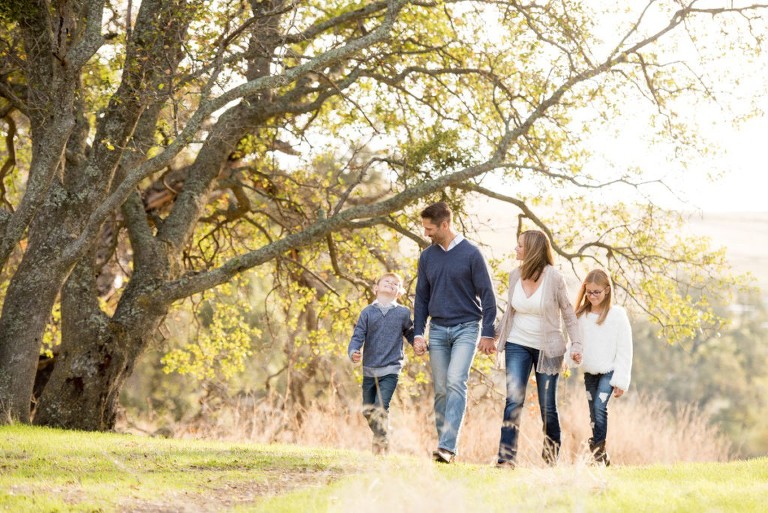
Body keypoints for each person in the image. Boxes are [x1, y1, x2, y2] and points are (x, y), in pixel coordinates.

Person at [413, 201, 497, 463]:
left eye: (430, 228)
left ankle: (447, 447)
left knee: (455, 382)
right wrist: (418, 333)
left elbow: (488, 295)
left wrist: (488, 332)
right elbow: (421, 299)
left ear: (445, 225)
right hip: (437, 330)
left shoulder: (471, 254)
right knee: (440, 389)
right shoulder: (427, 257)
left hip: (467, 328)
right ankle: (443, 447)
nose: (426, 233)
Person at [493, 229, 582, 468]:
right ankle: (506, 459)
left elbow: (568, 314)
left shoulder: (554, 278)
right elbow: (510, 313)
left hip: (548, 349)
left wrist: (576, 344)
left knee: (547, 406)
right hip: (516, 344)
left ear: (531, 249)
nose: (516, 249)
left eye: (520, 245)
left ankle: (551, 458)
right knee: (513, 400)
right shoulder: (514, 275)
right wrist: (493, 335)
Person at [348, 272, 415, 455]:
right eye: (387, 281)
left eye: (396, 284)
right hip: (370, 369)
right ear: (376, 288)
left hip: (391, 369)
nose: (391, 284)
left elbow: (410, 333)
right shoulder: (367, 312)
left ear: (399, 293)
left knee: (381, 407)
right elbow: (357, 336)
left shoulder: (402, 313)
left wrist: (418, 343)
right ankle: (385, 432)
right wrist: (354, 351)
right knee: (368, 411)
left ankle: (381, 443)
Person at [573, 269, 633, 466]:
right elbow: (575, 343)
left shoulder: (617, 315)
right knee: (593, 413)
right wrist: (574, 355)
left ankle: (597, 451)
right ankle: (601, 456)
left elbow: (625, 349)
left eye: (596, 292)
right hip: (590, 371)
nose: (592, 296)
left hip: (610, 371)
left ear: (607, 290)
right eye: (589, 292)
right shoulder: (581, 315)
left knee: (600, 407)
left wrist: (621, 380)